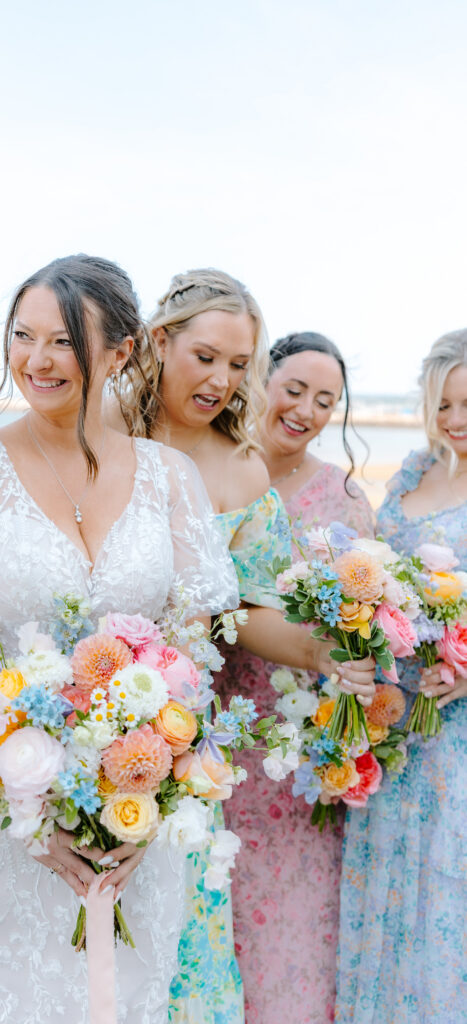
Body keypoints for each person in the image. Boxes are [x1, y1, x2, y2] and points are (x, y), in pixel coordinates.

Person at [0, 254, 239, 1024]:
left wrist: (150, 788)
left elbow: (191, 648)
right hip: (1, 815)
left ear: (121, 353)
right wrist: (26, 807)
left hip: (138, 814)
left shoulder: (170, 477)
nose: (36, 360)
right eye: (22, 336)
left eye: (62, 340)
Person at [114, 277, 376, 1023]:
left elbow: (246, 608)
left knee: (174, 951)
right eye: (205, 356)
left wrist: (323, 653)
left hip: (181, 735)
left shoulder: (239, 467)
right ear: (158, 342)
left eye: (237, 364)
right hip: (78, 709)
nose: (222, 381)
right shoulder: (95, 429)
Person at [214, 330, 375, 1023]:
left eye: (324, 401)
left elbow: (363, 624)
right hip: (209, 723)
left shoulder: (342, 499)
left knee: (293, 924)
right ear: (260, 382)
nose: (306, 410)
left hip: (295, 747)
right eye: (294, 390)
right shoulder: (213, 469)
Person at [336, 330, 467, 1024]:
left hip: (457, 730)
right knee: (393, 884)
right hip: (396, 722)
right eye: (442, 404)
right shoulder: (414, 472)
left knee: (449, 889)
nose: (454, 420)